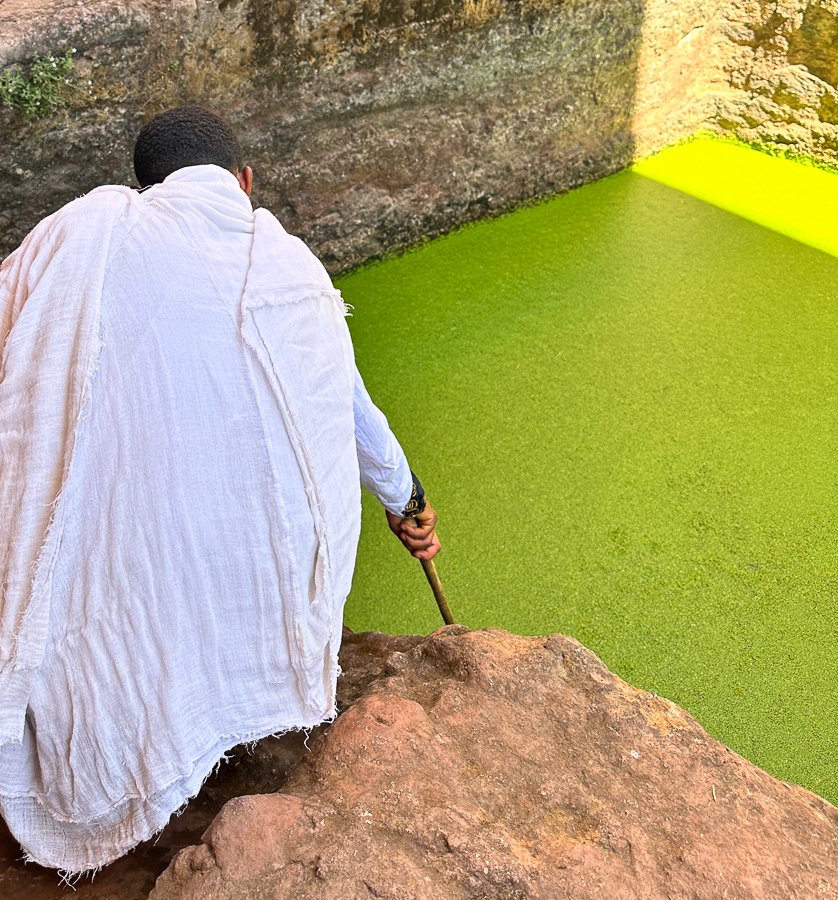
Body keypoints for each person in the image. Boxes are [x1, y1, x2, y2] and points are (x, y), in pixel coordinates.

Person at [0, 106, 440, 873]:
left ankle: (160, 728)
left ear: (148, 187)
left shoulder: (94, 240)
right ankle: (253, 699)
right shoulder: (294, 266)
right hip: (268, 564)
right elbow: (355, 408)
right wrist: (408, 504)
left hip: (154, 565)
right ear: (245, 180)